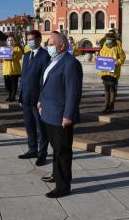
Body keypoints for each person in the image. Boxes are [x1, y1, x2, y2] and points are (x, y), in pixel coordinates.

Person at [38, 33, 83, 198]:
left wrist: (68, 115)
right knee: (56, 149)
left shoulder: (71, 63)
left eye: (51, 43)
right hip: (49, 113)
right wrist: (40, 101)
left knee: (63, 151)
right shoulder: (53, 61)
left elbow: (73, 92)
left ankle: (63, 186)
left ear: (62, 45)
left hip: (61, 116)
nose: (48, 46)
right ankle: (56, 175)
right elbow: (46, 84)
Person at [18, 30, 51, 166]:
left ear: (39, 39)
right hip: (26, 97)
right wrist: (20, 95)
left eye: (32, 39)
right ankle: (32, 149)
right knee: (29, 125)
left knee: (41, 128)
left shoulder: (45, 56)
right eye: (28, 39)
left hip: (37, 99)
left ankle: (42, 154)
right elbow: (23, 76)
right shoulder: (26, 55)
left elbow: (45, 79)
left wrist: (41, 99)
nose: (29, 41)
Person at [98, 33, 126, 113]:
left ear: (113, 40)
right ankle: (106, 105)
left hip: (113, 72)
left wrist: (117, 62)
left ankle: (111, 106)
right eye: (107, 39)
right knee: (106, 89)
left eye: (109, 39)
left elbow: (123, 58)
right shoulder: (103, 48)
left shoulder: (118, 48)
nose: (108, 41)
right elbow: (100, 57)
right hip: (104, 72)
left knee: (112, 89)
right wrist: (97, 60)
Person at [0, 35, 23, 102]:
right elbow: (0, 61)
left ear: (14, 41)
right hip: (6, 70)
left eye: (11, 40)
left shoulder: (17, 48)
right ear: (6, 42)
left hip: (14, 70)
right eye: (8, 40)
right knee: (7, 86)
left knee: (14, 85)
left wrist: (12, 54)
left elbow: (19, 57)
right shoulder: (4, 49)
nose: (10, 41)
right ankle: (10, 95)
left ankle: (12, 97)